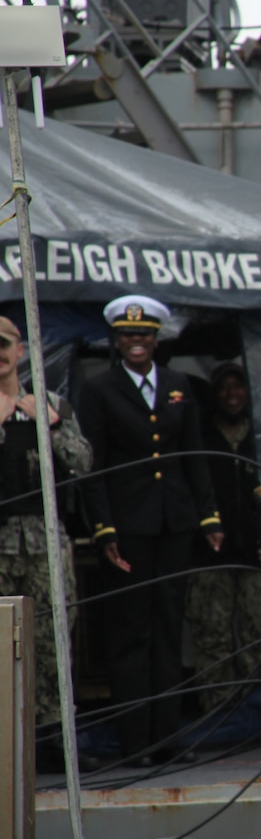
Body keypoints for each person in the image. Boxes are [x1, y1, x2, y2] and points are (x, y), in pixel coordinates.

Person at [77, 295, 222, 767]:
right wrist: (102, 528)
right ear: (116, 342)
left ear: (156, 340)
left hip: (173, 522)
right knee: (131, 634)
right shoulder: (99, 390)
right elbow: (91, 464)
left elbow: (193, 456)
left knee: (167, 630)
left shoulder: (179, 386)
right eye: (127, 337)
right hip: (128, 526)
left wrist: (209, 515)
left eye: (143, 336)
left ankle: (167, 739)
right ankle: (135, 743)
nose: (136, 343)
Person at [0, 316, 92, 772]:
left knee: (52, 641)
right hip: (1, 544)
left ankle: (54, 741)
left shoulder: (50, 403)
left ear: (20, 352)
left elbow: (84, 463)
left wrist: (49, 425)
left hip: (44, 543)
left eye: (5, 344)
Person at [186, 362, 261, 713]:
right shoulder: (201, 437)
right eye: (224, 388)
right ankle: (218, 712)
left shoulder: (259, 438)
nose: (232, 394)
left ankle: (255, 711)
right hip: (209, 556)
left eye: (238, 386)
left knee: (257, 634)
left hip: (254, 555)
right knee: (212, 635)